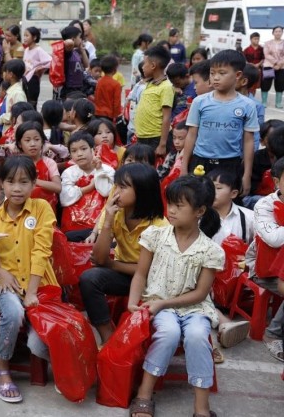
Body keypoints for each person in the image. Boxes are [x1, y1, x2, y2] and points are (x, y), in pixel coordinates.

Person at [127, 174, 225, 417]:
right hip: (159, 304)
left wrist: (164, 303)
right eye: (169, 203)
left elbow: (201, 293)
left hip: (194, 308)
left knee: (197, 335)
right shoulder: (155, 236)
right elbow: (140, 274)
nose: (170, 210)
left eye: (179, 206)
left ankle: (201, 407)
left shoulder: (210, 250)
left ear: (200, 210)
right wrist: (132, 302)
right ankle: (144, 394)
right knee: (169, 333)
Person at [0, 156, 55, 403]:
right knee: (12, 312)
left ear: (34, 184)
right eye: (11, 182)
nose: (17, 188)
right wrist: (1, 272)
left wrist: (31, 293)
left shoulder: (42, 208)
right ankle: (2, 370)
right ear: (2, 184)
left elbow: (41, 251)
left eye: (24, 182)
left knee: (38, 345)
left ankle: (63, 371)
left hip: (41, 285)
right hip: (9, 286)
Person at [80, 164, 166, 343]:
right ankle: (107, 338)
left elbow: (148, 272)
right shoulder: (115, 212)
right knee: (89, 278)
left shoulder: (160, 226)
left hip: (154, 281)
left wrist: (112, 265)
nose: (115, 192)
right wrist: (108, 220)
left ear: (142, 192)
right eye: (116, 185)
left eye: (123, 187)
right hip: (125, 274)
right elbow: (99, 258)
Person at [180, 50, 258, 195]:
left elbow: (248, 141)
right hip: (200, 161)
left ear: (238, 75)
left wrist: (246, 175)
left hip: (229, 163)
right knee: (198, 200)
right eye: (212, 73)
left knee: (224, 202)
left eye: (222, 73)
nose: (215, 78)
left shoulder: (247, 105)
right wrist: (184, 166)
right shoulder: (200, 102)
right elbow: (191, 135)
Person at [133, 45, 174, 157]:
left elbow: (166, 117)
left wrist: (162, 144)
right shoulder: (152, 83)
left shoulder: (166, 87)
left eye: (144, 63)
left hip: (155, 138)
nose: (142, 67)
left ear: (153, 65)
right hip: (143, 136)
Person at [22, 26, 51, 108]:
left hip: (33, 80)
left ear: (34, 37)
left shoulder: (38, 50)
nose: (24, 38)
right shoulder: (27, 50)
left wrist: (39, 69)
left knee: (31, 103)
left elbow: (50, 61)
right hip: (25, 79)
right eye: (24, 35)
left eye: (27, 36)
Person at [94, 55, 122, 122]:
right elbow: (117, 103)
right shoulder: (116, 84)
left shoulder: (99, 81)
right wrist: (116, 115)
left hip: (97, 113)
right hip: (109, 115)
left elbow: (97, 97)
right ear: (115, 70)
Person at [262, 25, 284, 107]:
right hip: (269, 66)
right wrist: (275, 63)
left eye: (280, 31)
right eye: (276, 31)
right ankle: (264, 102)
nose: (278, 33)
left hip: (281, 67)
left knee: (280, 83)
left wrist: (280, 63)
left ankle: (278, 103)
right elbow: (266, 54)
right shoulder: (267, 43)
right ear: (273, 33)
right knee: (266, 83)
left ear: (282, 33)